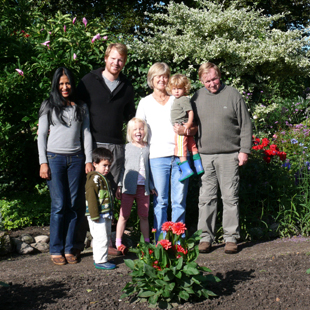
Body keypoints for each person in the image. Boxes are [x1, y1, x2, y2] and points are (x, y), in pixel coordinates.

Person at [76, 43, 136, 256]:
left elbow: (130, 118)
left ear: (124, 62)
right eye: (113, 58)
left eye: (120, 60)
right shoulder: (88, 81)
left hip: (116, 147)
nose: (116, 63)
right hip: (93, 145)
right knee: (89, 195)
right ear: (105, 58)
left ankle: (108, 242)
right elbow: (75, 111)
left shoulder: (127, 87)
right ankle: (78, 243)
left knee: (110, 196)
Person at [191, 62, 252, 254]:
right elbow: (190, 124)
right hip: (204, 156)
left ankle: (230, 238)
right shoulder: (197, 97)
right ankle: (205, 238)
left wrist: (244, 150)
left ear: (220, 76)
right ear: (201, 81)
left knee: (230, 197)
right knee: (206, 198)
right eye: (207, 81)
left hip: (229, 155)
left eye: (214, 79)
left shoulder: (233, 94)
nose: (212, 83)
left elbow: (245, 125)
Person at [37, 67, 93, 265]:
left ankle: (70, 248)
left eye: (67, 82)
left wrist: (88, 159)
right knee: (59, 205)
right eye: (61, 83)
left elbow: (86, 134)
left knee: (74, 205)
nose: (64, 87)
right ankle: (55, 249)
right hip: (54, 159)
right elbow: (41, 135)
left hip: (76, 159)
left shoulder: (80, 106)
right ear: (55, 85)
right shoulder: (48, 106)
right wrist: (43, 162)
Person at [136, 62, 194, 240]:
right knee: (160, 202)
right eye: (157, 76)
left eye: (165, 76)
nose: (162, 79)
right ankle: (161, 241)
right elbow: (137, 131)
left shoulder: (178, 99)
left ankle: (178, 241)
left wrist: (187, 130)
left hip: (180, 156)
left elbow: (192, 125)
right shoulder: (145, 102)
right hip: (157, 158)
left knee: (179, 202)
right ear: (151, 79)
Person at [115, 118, 156, 253]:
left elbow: (149, 170)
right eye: (135, 129)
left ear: (145, 131)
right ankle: (118, 242)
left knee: (144, 216)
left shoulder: (148, 148)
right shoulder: (126, 147)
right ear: (130, 132)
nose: (138, 131)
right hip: (128, 188)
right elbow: (122, 169)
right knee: (124, 215)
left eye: (141, 128)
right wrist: (119, 185)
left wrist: (150, 186)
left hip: (143, 189)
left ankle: (146, 242)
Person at [167, 74, 204, 181]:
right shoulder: (178, 99)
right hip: (184, 125)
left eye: (179, 88)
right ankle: (198, 166)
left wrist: (188, 124)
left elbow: (190, 112)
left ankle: (186, 169)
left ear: (185, 89)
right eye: (174, 89)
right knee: (192, 145)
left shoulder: (183, 99)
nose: (176, 91)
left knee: (180, 148)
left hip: (181, 127)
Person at [85, 148, 116, 270]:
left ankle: (99, 258)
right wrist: (94, 215)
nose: (107, 169)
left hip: (105, 214)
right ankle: (100, 260)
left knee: (105, 236)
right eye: (104, 165)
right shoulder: (94, 179)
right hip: (97, 215)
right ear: (95, 164)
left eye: (109, 166)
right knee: (101, 237)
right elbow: (91, 198)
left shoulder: (103, 178)